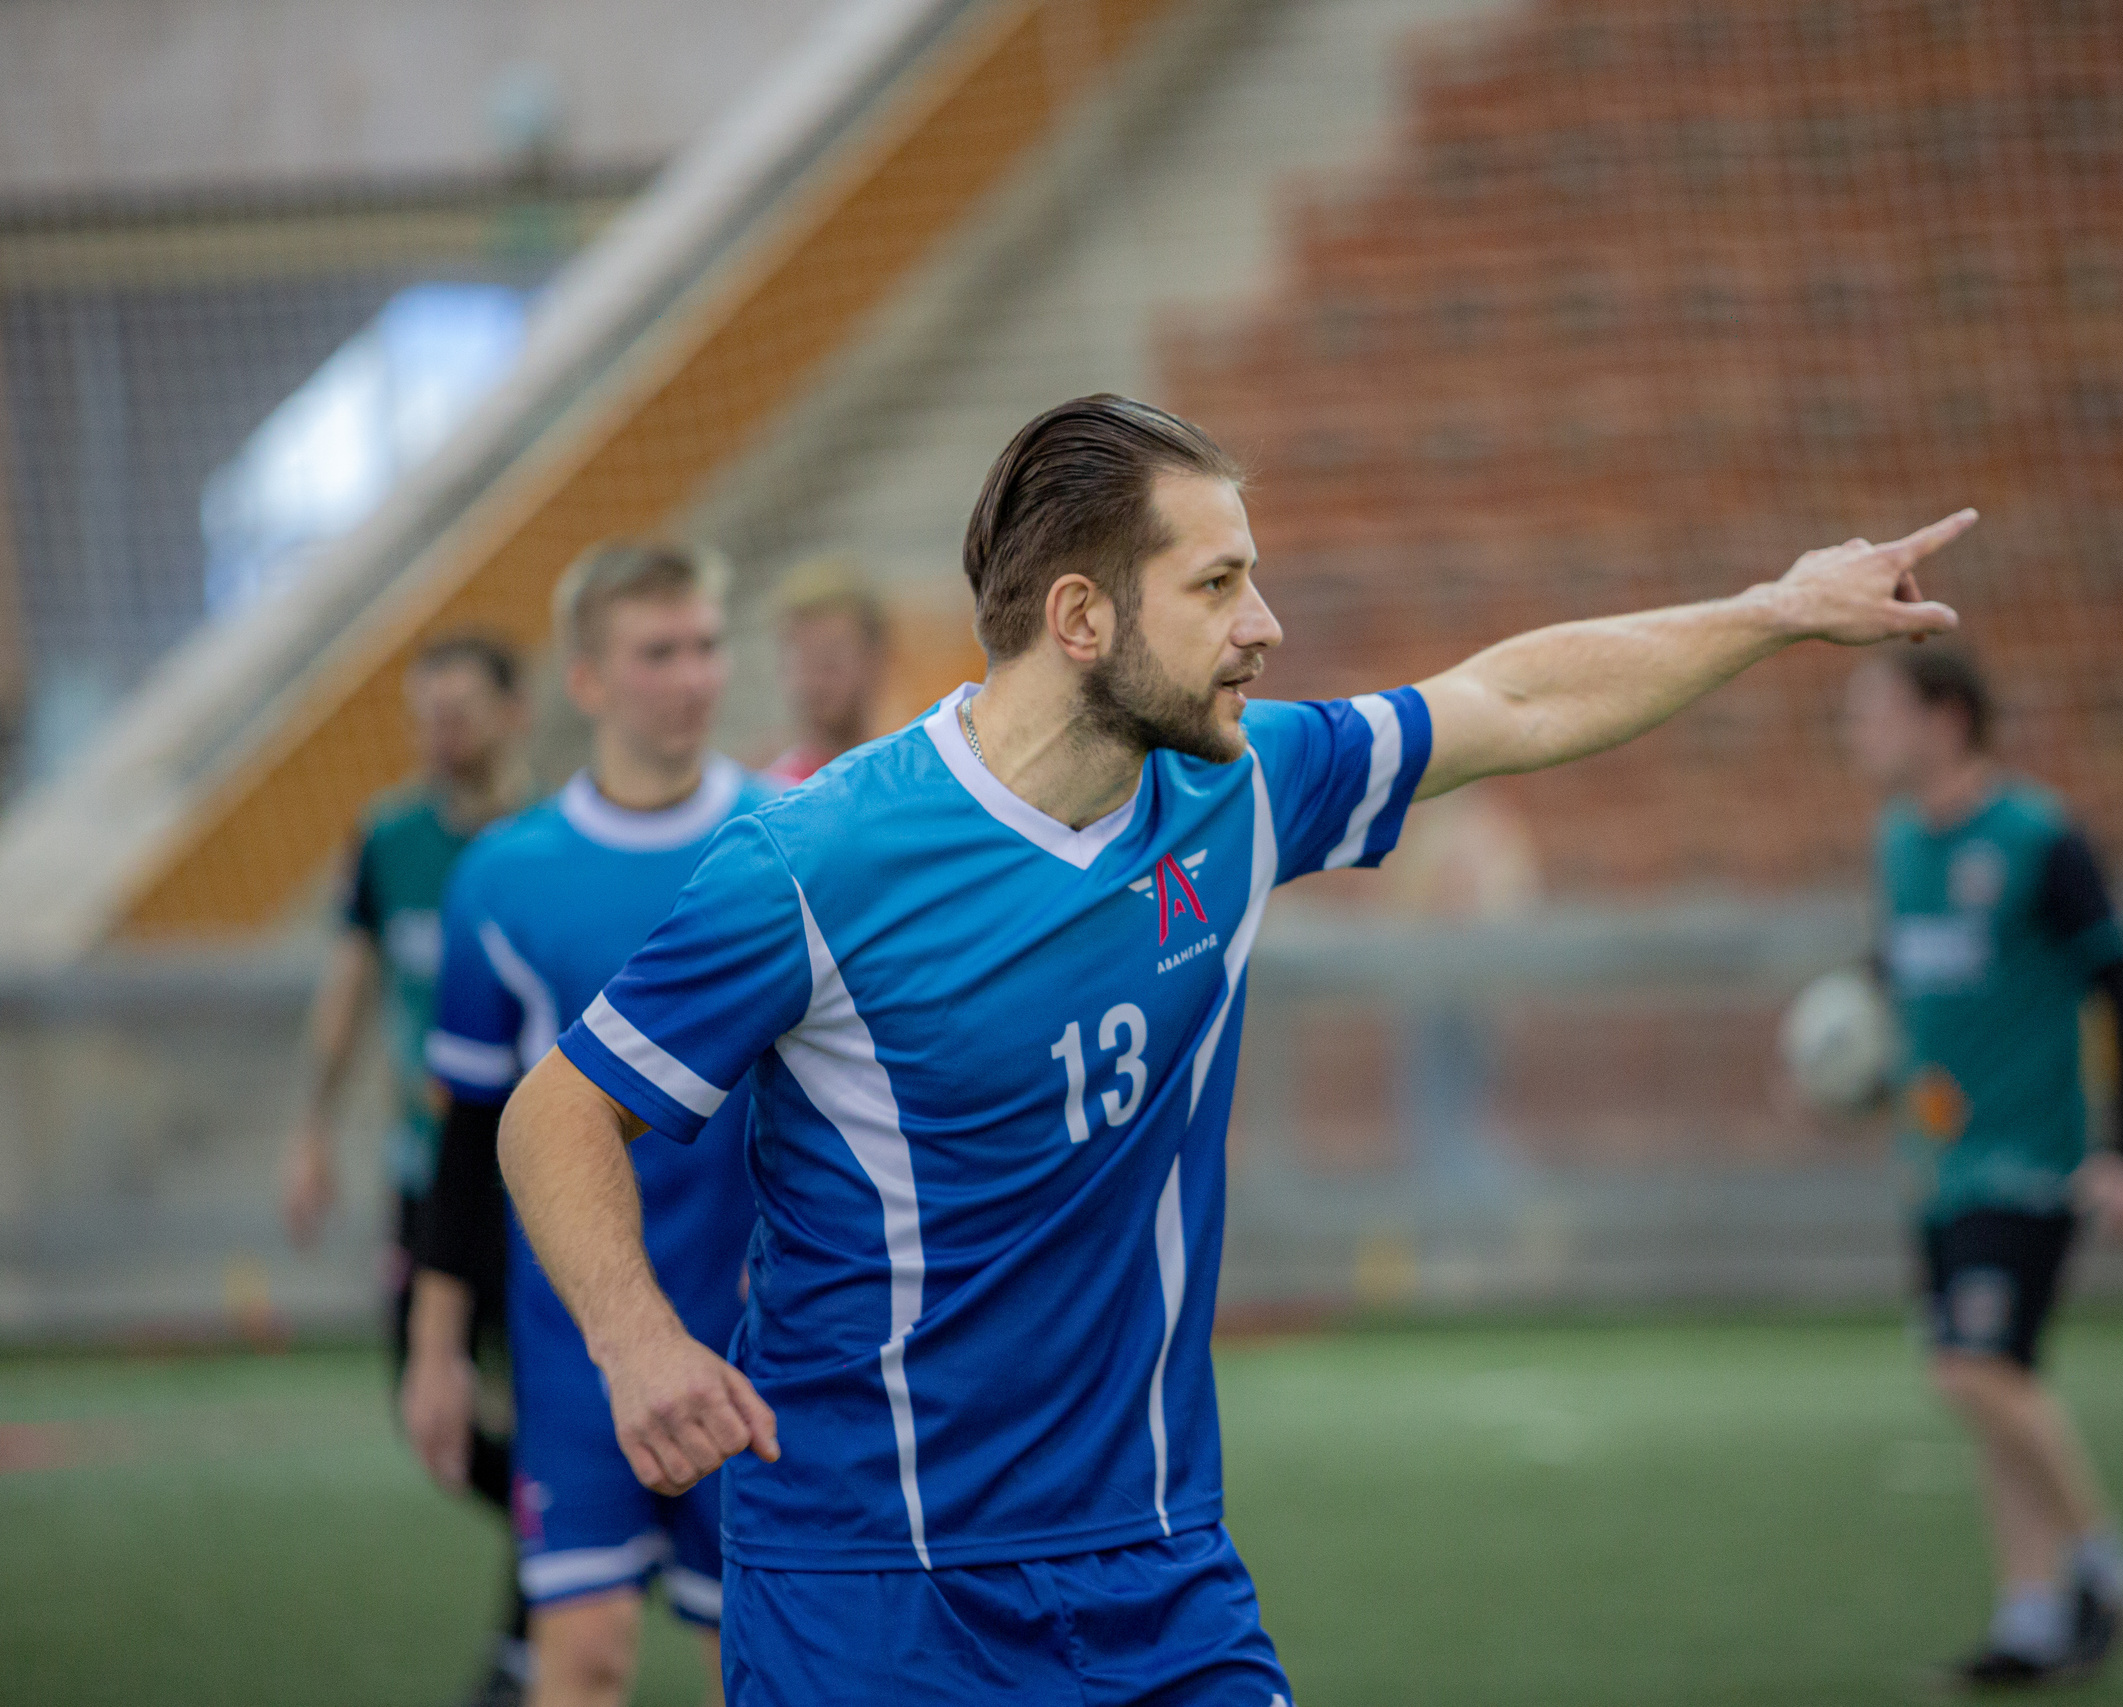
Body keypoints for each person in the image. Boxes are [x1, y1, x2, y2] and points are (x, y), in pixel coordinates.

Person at [492, 395, 1972, 1706]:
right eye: (1218, 583)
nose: (1263, 623)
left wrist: (1776, 607)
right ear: (1082, 620)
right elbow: (555, 1110)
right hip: (872, 1586)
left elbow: (1505, 699)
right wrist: (635, 1338)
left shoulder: (1240, 784)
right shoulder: (812, 862)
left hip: (1157, 1568)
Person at [403, 543, 771, 1707]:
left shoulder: (790, 842)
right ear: (589, 680)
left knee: (755, 1665)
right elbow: (468, 1141)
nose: (692, 675)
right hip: (571, 1352)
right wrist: (436, 1345)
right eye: (657, 652)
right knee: (586, 1654)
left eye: (706, 645)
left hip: (763, 1342)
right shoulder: (504, 880)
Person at [1842, 644, 2123, 1689]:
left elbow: (2118, 982)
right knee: (1997, 1384)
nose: (1857, 732)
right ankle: (2028, 1616)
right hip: (1936, 1164)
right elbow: (1901, 973)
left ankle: (2103, 1564)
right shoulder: (1896, 842)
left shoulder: (2036, 838)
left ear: (1944, 720)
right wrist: (1839, 1053)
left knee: (1966, 1370)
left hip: (2030, 1163)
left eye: (1875, 711)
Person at [277, 631, 532, 1707]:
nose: (443, 729)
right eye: (427, 710)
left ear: (513, 712)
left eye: (462, 707)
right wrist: (310, 1130)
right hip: (424, 1178)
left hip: (533, 1180)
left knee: (549, 1395)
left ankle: (531, 1638)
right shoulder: (386, 840)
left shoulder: (546, 842)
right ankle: (586, 1520)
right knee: (425, 1405)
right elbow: (348, 984)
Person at [756, 552, 889, 786]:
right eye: (804, 661)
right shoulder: (774, 797)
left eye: (832, 659)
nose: (817, 681)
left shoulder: (906, 779)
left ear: (875, 658)